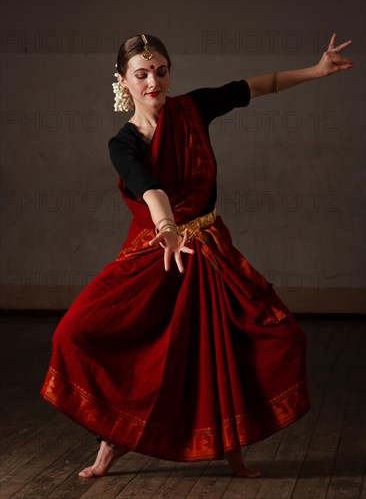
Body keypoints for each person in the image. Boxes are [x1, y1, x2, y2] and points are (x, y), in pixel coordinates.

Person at [40, 32, 353, 478]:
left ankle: (232, 447)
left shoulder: (192, 109)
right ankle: (113, 442)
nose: (154, 82)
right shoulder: (123, 144)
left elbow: (255, 87)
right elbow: (150, 188)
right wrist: (167, 230)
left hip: (206, 249)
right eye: (142, 74)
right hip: (154, 252)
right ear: (122, 81)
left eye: (161, 72)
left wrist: (317, 70)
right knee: (77, 334)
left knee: (245, 343)